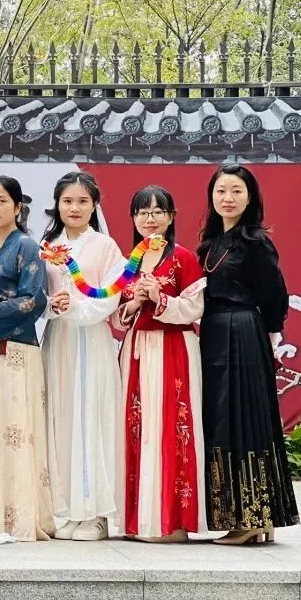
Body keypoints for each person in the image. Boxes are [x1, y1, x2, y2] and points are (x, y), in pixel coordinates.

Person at [197, 164, 298, 544]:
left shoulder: (255, 242)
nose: (228, 198)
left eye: (237, 191)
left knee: (246, 420)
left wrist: (261, 333)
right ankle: (250, 517)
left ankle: (254, 517)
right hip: (214, 334)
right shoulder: (211, 243)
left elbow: (275, 295)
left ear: (250, 197)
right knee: (223, 420)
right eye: (221, 191)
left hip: (242, 333)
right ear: (211, 196)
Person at [112, 185, 206, 542]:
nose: (149, 218)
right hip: (137, 350)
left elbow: (194, 308)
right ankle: (138, 520)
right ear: (133, 219)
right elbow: (118, 318)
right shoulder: (129, 264)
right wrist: (135, 303)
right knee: (137, 427)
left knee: (172, 427)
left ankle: (172, 522)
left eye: (157, 211)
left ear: (171, 217)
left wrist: (159, 297)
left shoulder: (183, 258)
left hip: (174, 348)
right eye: (142, 212)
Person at [0, 176, 54, 542]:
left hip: (13, 350)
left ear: (18, 207)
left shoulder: (27, 246)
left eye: (2, 200)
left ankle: (18, 516)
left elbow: (33, 300)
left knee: (14, 431)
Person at [41, 171, 125, 541]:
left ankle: (95, 512)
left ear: (94, 206)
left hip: (91, 339)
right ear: (57, 205)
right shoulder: (47, 246)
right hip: (58, 340)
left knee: (91, 418)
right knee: (60, 418)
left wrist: (74, 308)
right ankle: (65, 509)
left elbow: (111, 297)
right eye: (67, 201)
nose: (74, 208)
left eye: (82, 201)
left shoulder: (106, 247)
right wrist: (51, 306)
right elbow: (37, 295)